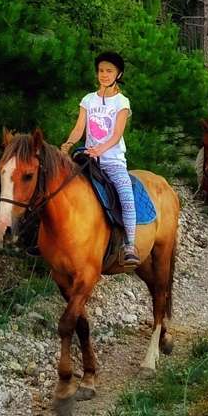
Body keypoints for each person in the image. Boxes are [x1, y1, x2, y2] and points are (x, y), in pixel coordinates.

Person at [61, 51, 140, 266]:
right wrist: (68, 145)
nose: (104, 75)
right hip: (87, 160)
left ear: (118, 74)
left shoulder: (122, 102)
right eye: (101, 70)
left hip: (113, 161)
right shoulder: (88, 99)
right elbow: (79, 128)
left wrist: (99, 149)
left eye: (109, 71)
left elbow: (116, 135)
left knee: (126, 194)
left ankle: (130, 245)